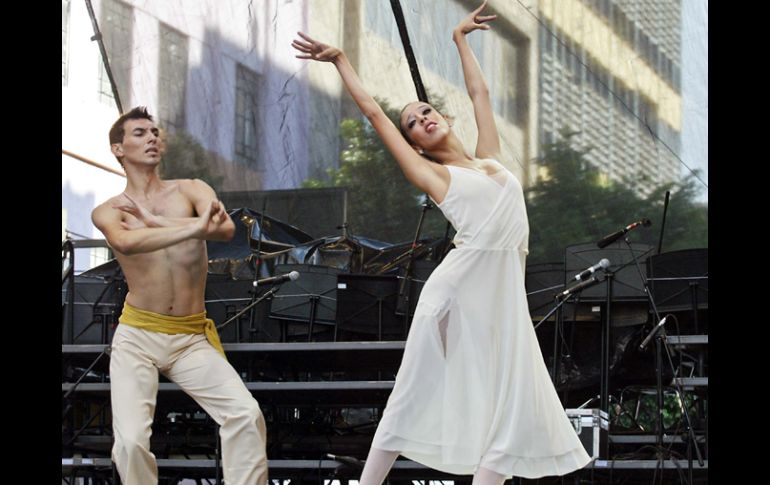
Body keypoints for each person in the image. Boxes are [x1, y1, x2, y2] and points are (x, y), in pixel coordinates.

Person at [292, 2, 591, 483]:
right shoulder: (431, 174)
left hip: (502, 299)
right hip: (457, 291)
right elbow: (373, 113)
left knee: (509, 406)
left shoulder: (490, 159)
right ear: (414, 143)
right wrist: (341, 59)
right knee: (416, 389)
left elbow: (480, 92)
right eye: (412, 122)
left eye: (426, 110)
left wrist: (459, 38)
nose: (422, 119)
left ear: (442, 117)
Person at [91, 107, 268, 485]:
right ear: (118, 148)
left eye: (156, 132)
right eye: (140, 133)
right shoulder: (108, 210)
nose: (153, 137)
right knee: (131, 443)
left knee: (245, 414)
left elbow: (223, 230)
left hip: (190, 337)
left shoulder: (191, 188)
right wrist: (194, 227)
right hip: (138, 335)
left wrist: (158, 221)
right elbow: (127, 242)